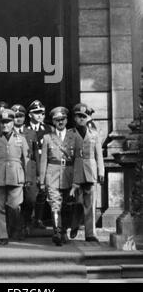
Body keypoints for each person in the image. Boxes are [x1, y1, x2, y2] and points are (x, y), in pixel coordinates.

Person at [0, 109, 30, 245]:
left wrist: (29, 178)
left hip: (16, 176)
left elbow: (27, 159)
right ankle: (2, 236)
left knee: (14, 205)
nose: (5, 125)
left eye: (8, 122)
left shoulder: (21, 139)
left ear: (13, 122)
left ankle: (16, 228)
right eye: (2, 122)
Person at [40, 106, 77, 245]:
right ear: (53, 122)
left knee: (68, 205)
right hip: (53, 173)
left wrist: (77, 179)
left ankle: (64, 232)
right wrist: (43, 181)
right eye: (57, 120)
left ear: (67, 120)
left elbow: (77, 160)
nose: (60, 122)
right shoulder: (48, 138)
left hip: (69, 173)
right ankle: (56, 232)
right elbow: (44, 160)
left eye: (62, 119)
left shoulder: (73, 137)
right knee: (55, 204)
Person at [70, 103, 105, 242]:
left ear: (88, 118)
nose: (81, 119)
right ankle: (74, 225)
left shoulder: (94, 134)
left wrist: (101, 171)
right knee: (78, 202)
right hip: (76, 170)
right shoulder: (70, 133)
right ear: (74, 118)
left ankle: (90, 234)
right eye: (79, 116)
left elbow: (99, 155)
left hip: (91, 170)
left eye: (84, 116)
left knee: (90, 203)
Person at [11, 104, 38, 236]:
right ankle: (18, 227)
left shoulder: (31, 133)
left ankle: (26, 222)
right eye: (15, 116)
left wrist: (38, 173)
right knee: (14, 202)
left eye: (21, 116)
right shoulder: (8, 132)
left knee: (31, 199)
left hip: (29, 171)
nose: (18, 119)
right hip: (14, 171)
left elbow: (36, 155)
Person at [26, 100, 52, 228]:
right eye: (36, 113)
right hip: (30, 164)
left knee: (42, 192)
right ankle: (28, 219)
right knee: (30, 194)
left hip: (44, 163)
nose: (40, 115)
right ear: (30, 115)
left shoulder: (48, 129)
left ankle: (38, 219)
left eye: (42, 113)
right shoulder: (25, 129)